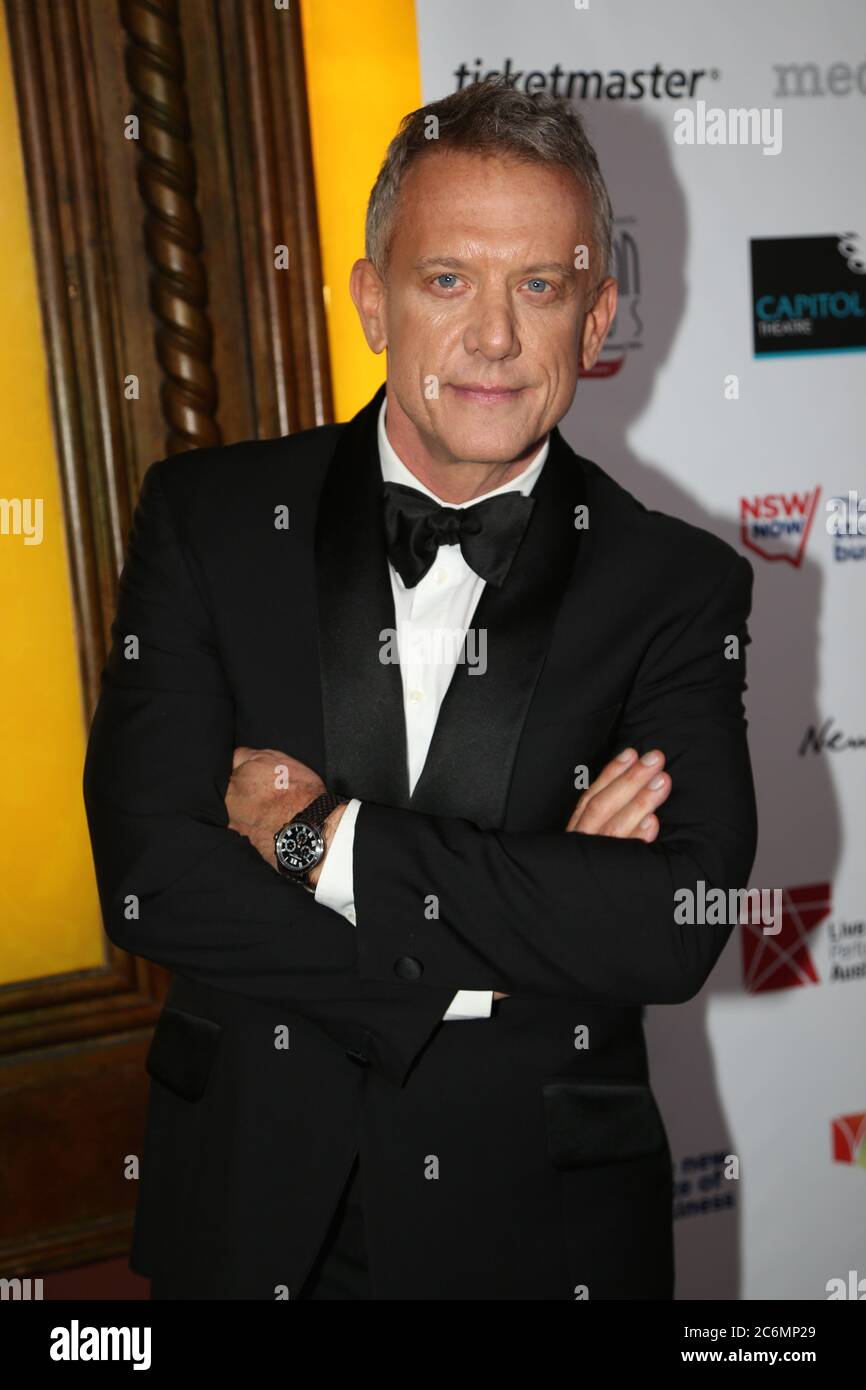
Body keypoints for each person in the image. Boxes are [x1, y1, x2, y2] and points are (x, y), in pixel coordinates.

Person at [83, 76, 757, 1300]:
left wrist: (316, 844)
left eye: (537, 288)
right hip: (249, 1209)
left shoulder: (675, 582)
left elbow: (676, 916)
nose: (492, 337)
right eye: (446, 279)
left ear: (596, 316)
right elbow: (145, 878)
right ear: (371, 301)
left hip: (541, 1231)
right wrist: (523, 925)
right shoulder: (212, 520)